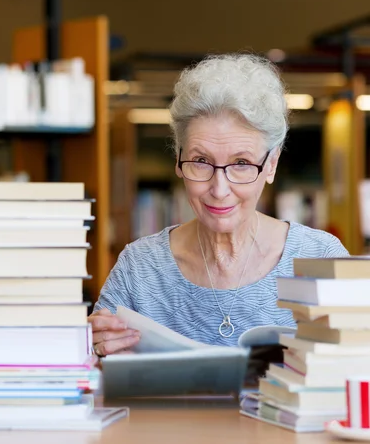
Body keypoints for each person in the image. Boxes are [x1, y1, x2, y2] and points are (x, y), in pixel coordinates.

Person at [89, 53, 349, 356]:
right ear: (178, 159)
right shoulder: (140, 268)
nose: (219, 189)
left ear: (271, 165)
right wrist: (94, 349)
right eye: (201, 161)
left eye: (241, 163)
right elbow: (95, 373)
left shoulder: (321, 258)